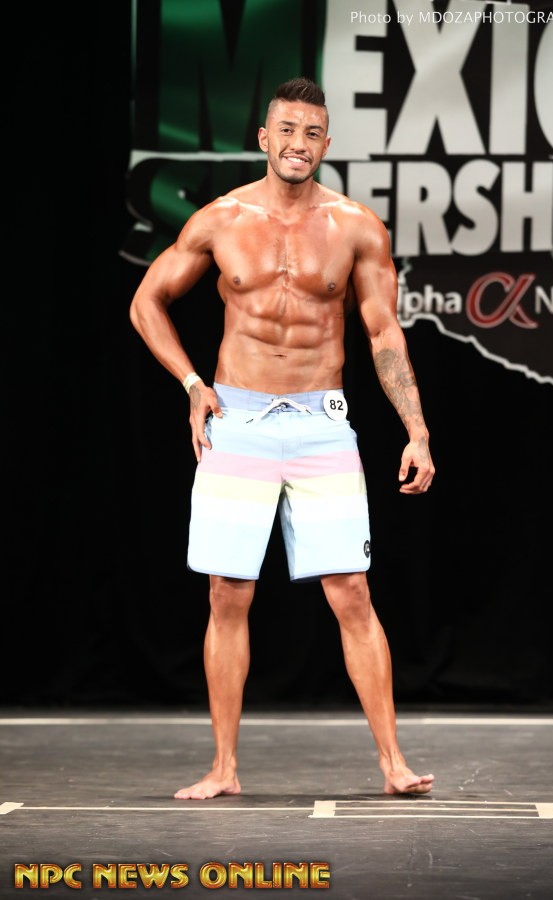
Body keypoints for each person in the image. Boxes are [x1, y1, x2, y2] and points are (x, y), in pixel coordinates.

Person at [129, 77, 435, 800]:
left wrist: (417, 429)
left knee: (352, 591)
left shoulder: (357, 227)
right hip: (237, 420)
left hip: (321, 422)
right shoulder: (221, 219)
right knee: (227, 594)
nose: (299, 144)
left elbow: (383, 333)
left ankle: (393, 763)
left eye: (312, 133)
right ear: (265, 138)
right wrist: (191, 383)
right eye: (287, 131)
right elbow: (147, 301)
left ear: (326, 144)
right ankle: (223, 768)